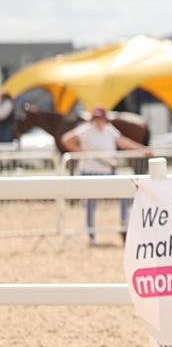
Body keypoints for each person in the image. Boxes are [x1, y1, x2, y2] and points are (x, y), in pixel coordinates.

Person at [61, 105, 152, 245]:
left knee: (124, 195)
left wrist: (141, 149)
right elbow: (66, 139)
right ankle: (91, 236)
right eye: (97, 118)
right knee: (91, 204)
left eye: (101, 118)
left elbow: (124, 142)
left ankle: (123, 224)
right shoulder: (85, 129)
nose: (99, 121)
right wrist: (81, 153)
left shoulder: (109, 130)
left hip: (107, 171)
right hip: (90, 171)